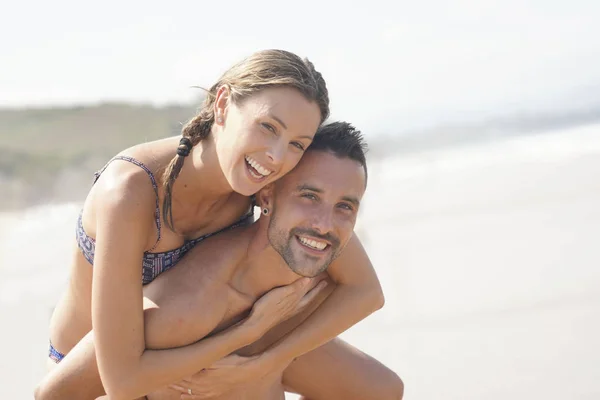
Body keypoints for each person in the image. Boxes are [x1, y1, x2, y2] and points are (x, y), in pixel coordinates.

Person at [45, 49, 394, 399]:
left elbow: (363, 288)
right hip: (98, 367)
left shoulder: (263, 180)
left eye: (296, 144)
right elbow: (120, 381)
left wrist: (271, 359)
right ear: (224, 103)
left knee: (376, 388)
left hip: (196, 325)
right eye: (268, 127)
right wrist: (247, 333)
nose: (276, 156)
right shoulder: (129, 192)